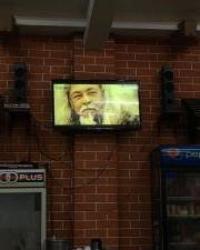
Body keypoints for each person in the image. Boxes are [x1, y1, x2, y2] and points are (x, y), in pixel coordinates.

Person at [54, 83, 140, 126]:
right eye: (77, 96)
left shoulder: (128, 121)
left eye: (92, 93)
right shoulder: (66, 124)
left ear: (103, 95)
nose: (86, 100)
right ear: (70, 102)